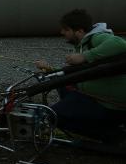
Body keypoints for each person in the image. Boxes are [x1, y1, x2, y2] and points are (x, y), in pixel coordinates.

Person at [35, 9, 126, 144]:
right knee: (61, 86)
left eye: (66, 29)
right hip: (96, 99)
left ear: (79, 31)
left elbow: (121, 44)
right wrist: (50, 70)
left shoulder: (97, 38)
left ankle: (114, 135)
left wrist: (84, 56)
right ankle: (111, 133)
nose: (62, 33)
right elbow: (81, 72)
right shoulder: (82, 45)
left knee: (54, 115)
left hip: (111, 105)